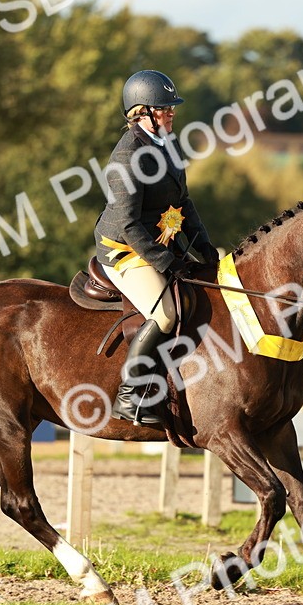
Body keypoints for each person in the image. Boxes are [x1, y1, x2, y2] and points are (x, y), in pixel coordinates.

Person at [93, 70, 219, 427]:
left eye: (171, 108)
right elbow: (130, 224)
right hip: (124, 247)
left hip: (158, 238)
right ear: (142, 112)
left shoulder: (168, 145)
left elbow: (184, 203)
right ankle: (130, 396)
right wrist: (166, 261)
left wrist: (205, 248)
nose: (171, 113)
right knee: (165, 312)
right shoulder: (127, 158)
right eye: (164, 108)